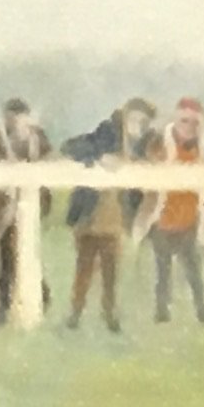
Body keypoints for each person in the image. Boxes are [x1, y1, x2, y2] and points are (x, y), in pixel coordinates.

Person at [58, 98, 157, 339]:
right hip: (90, 216)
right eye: (133, 119)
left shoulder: (143, 144)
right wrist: (99, 156)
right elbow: (70, 146)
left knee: (111, 272)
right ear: (124, 117)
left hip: (115, 220)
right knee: (84, 269)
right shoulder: (107, 132)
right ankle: (76, 312)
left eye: (142, 121)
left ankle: (109, 314)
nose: (137, 125)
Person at [0, 93, 51, 327]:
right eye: (11, 117)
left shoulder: (36, 137)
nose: (15, 121)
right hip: (3, 204)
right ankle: (4, 305)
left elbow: (46, 162)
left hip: (28, 203)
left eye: (19, 117)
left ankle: (39, 295)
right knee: (6, 254)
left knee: (27, 250)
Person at [147, 101, 204, 324]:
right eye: (184, 121)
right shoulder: (160, 143)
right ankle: (161, 310)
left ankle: (201, 308)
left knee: (193, 270)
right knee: (163, 271)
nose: (189, 127)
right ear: (175, 120)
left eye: (195, 122)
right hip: (163, 220)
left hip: (188, 220)